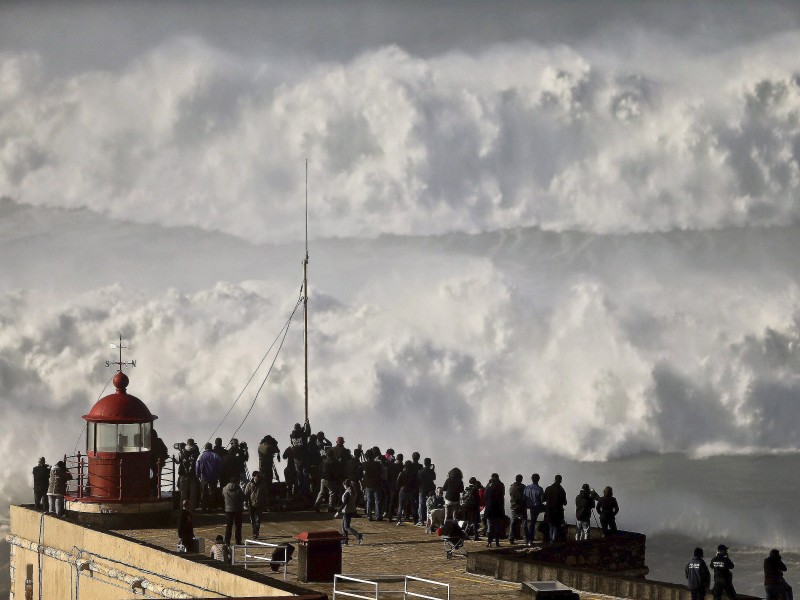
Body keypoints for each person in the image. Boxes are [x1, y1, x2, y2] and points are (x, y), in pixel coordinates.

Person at [196, 442, 222, 513]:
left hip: (203, 477)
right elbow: (219, 467)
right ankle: (210, 508)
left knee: (203, 492)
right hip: (213, 477)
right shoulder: (216, 456)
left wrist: (198, 475)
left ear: (205, 447)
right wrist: (218, 475)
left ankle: (203, 508)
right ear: (211, 447)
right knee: (212, 493)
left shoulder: (201, 456)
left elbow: (197, 467)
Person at [244, 470, 268, 539]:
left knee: (258, 520)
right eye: (257, 476)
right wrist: (245, 503)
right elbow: (246, 494)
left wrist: (266, 503)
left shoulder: (262, 484)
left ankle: (255, 533)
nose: (258, 477)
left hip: (259, 504)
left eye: (259, 476)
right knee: (252, 520)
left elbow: (265, 495)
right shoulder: (249, 484)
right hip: (251, 505)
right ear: (253, 476)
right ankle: (255, 531)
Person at [362, 449, 385, 521]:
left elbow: (363, 474)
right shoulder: (377, 464)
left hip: (368, 484)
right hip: (377, 484)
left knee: (369, 500)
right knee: (377, 501)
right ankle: (378, 516)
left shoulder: (364, 464)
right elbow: (381, 473)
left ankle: (369, 516)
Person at [543, 474, 567, 543]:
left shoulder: (548, 488)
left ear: (554, 479)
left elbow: (543, 499)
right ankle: (553, 540)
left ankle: (551, 539)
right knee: (556, 525)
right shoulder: (561, 490)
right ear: (561, 481)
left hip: (549, 511)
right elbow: (565, 502)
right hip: (558, 511)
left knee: (551, 525)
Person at [484, 473, 506, 547]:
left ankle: (489, 543)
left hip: (489, 509)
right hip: (498, 509)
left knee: (490, 526)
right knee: (497, 526)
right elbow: (502, 496)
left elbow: (485, 496)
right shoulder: (501, 485)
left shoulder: (488, 485)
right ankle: (497, 543)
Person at [222, 475, 245, 546]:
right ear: (236, 482)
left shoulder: (224, 488)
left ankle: (227, 541)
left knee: (229, 526)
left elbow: (223, 496)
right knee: (238, 526)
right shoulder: (238, 488)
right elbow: (243, 497)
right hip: (238, 509)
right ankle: (238, 541)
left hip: (228, 509)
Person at [340, 479, 364, 545]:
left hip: (347, 511)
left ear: (345, 485)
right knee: (343, 526)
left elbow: (344, 503)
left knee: (346, 527)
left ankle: (358, 535)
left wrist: (338, 511)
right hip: (351, 510)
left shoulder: (348, 492)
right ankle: (345, 540)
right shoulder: (353, 491)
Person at [524, 473, 544, 547]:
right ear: (538, 479)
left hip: (528, 506)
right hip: (536, 507)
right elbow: (542, 500)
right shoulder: (540, 489)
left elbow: (524, 498)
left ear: (531, 479)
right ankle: (530, 540)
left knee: (530, 523)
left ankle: (528, 539)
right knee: (532, 523)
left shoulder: (527, 488)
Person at [396, 460, 418, 525]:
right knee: (412, 506)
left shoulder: (401, 473)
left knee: (400, 506)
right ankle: (415, 520)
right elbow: (415, 483)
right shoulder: (413, 474)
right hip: (411, 491)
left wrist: (399, 488)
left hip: (402, 490)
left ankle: (399, 520)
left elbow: (398, 482)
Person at [418, 458, 436, 528]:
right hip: (430, 490)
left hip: (422, 489)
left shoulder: (420, 471)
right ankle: (430, 520)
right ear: (430, 463)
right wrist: (433, 470)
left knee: (421, 505)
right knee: (431, 505)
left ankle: (421, 520)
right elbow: (434, 478)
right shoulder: (431, 472)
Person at [150, 429, 169, 496]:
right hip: (159, 462)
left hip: (150, 462)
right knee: (157, 477)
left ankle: (152, 491)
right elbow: (165, 449)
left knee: (152, 477)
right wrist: (164, 457)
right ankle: (156, 492)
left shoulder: (148, 441)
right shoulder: (159, 440)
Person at [508, 474, 526, 544]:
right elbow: (523, 497)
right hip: (521, 507)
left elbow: (511, 495)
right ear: (521, 479)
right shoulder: (523, 487)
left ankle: (511, 538)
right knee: (524, 523)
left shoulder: (511, 487)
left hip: (513, 507)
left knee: (513, 523)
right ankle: (526, 538)